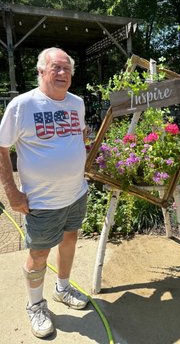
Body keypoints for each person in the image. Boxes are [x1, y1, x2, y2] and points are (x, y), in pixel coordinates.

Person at [0, 48, 89, 338]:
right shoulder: (22, 105)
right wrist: (11, 191)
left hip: (75, 193)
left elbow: (78, 136)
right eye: (56, 68)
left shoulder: (77, 104)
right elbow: (2, 147)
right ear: (41, 72)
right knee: (39, 254)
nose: (62, 73)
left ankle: (62, 288)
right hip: (41, 200)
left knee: (70, 239)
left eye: (66, 69)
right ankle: (35, 305)